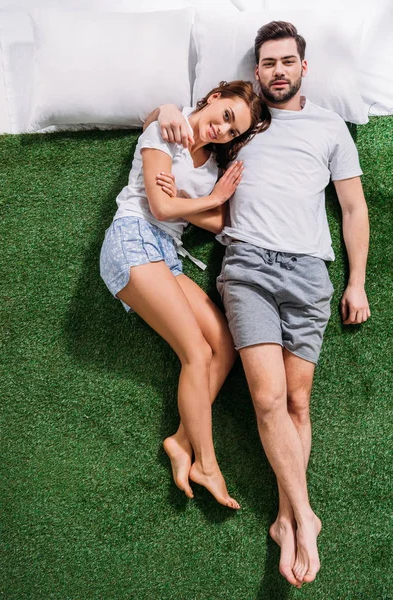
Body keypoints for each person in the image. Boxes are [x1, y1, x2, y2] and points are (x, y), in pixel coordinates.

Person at [145, 21, 370, 588]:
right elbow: (180, 129)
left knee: (297, 403)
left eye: (286, 61)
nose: (277, 71)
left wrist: (357, 282)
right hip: (246, 267)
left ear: (302, 67)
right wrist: (168, 104)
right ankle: (307, 515)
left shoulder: (330, 127)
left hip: (310, 274)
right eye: (267, 63)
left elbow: (352, 208)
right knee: (268, 399)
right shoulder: (243, 128)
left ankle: (285, 520)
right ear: (256, 73)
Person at [100, 81, 271, 510]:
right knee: (195, 351)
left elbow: (216, 223)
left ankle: (180, 440)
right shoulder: (168, 128)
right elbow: (159, 208)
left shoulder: (213, 165)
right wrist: (206, 200)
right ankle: (207, 464)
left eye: (233, 133)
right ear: (214, 97)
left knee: (225, 346)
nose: (222, 131)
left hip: (166, 256)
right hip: (133, 237)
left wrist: (196, 201)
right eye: (227, 116)